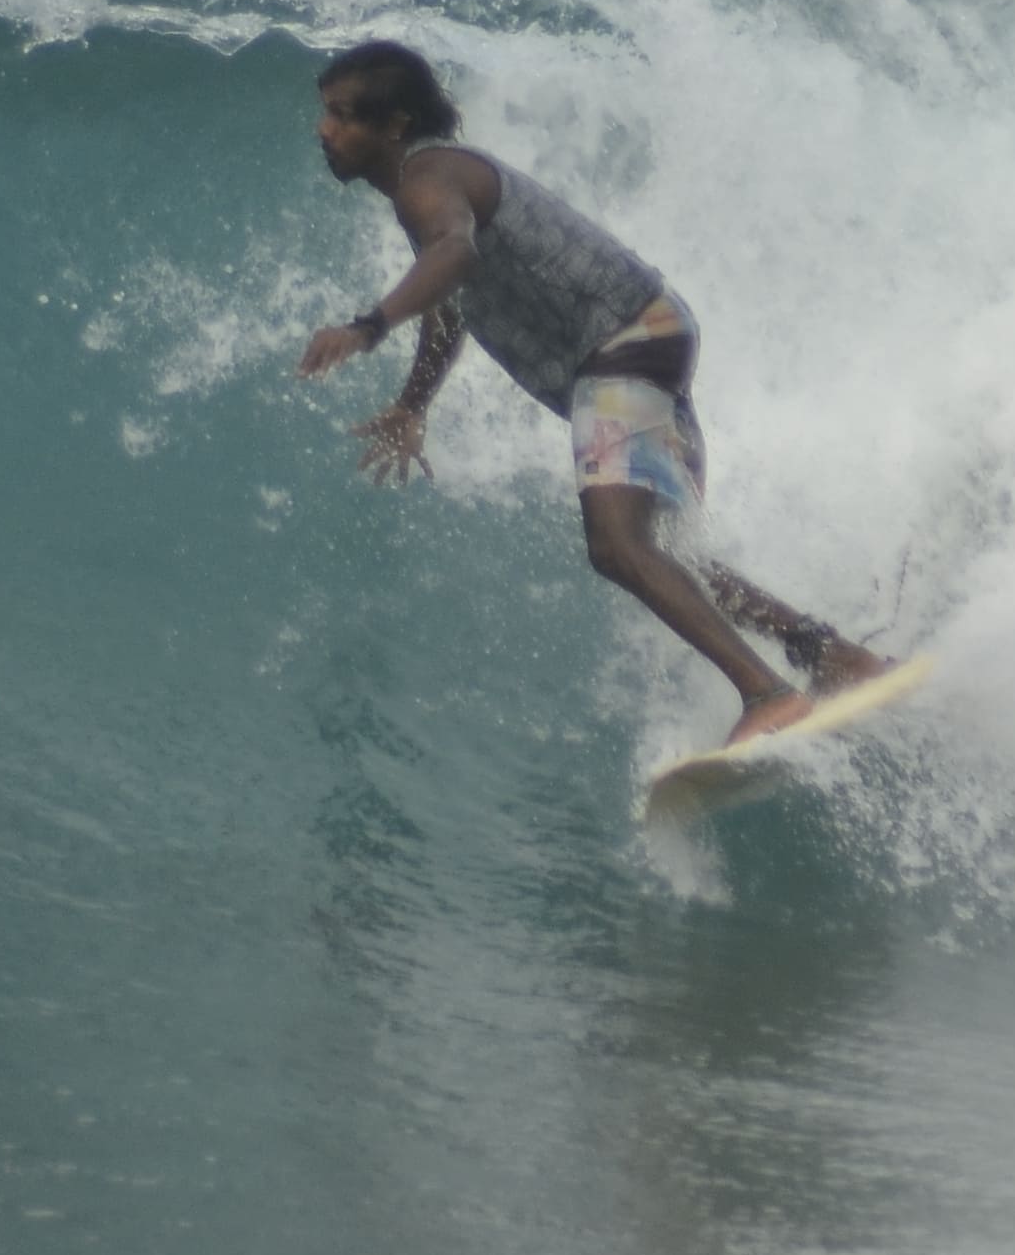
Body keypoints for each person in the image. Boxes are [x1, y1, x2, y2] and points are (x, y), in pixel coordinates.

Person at [294, 39, 891, 746]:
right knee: (660, 549)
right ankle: (831, 654)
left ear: (392, 125)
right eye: (324, 113)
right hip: (649, 332)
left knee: (616, 546)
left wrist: (369, 327)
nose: (324, 131)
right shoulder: (427, 186)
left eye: (341, 115)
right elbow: (453, 294)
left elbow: (454, 253)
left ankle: (769, 693)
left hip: (626, 342)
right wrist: (413, 403)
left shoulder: (428, 179)